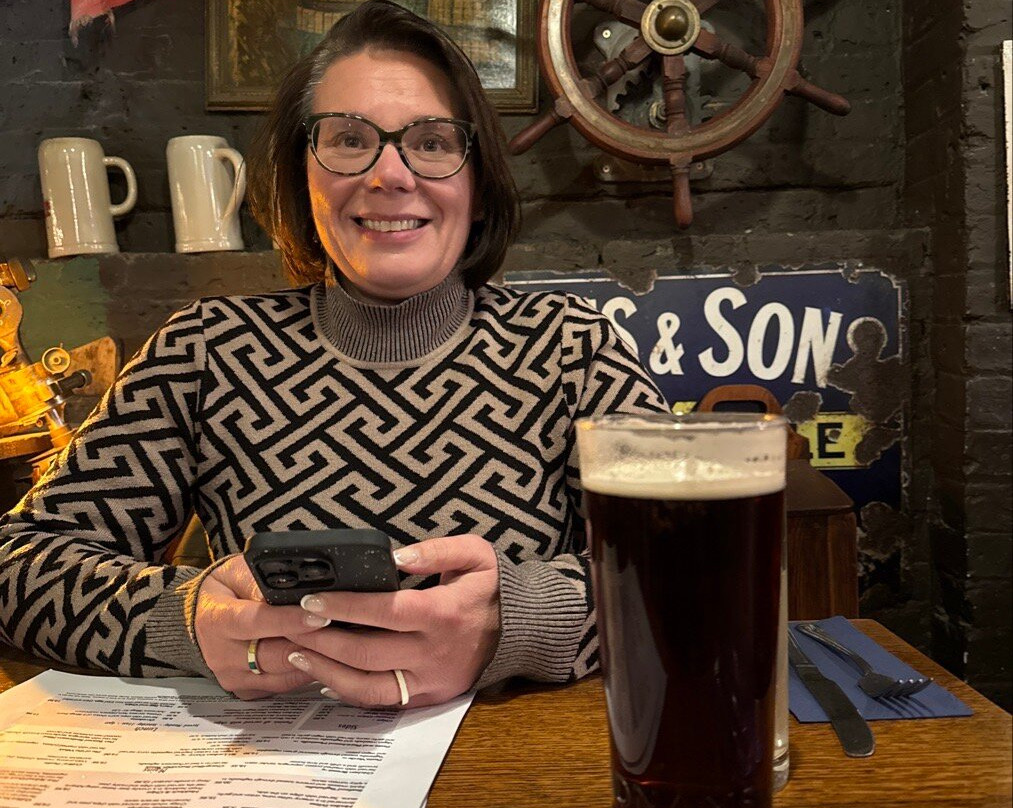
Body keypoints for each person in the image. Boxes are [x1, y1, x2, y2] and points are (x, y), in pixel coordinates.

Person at [0, 0, 667, 708]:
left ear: (477, 187)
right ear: (302, 181)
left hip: (519, 751)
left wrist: (521, 620)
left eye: (432, 142)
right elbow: (16, 566)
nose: (391, 175)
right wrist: (186, 621)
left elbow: (695, 565)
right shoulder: (205, 352)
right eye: (349, 140)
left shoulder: (571, 347)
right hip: (270, 757)